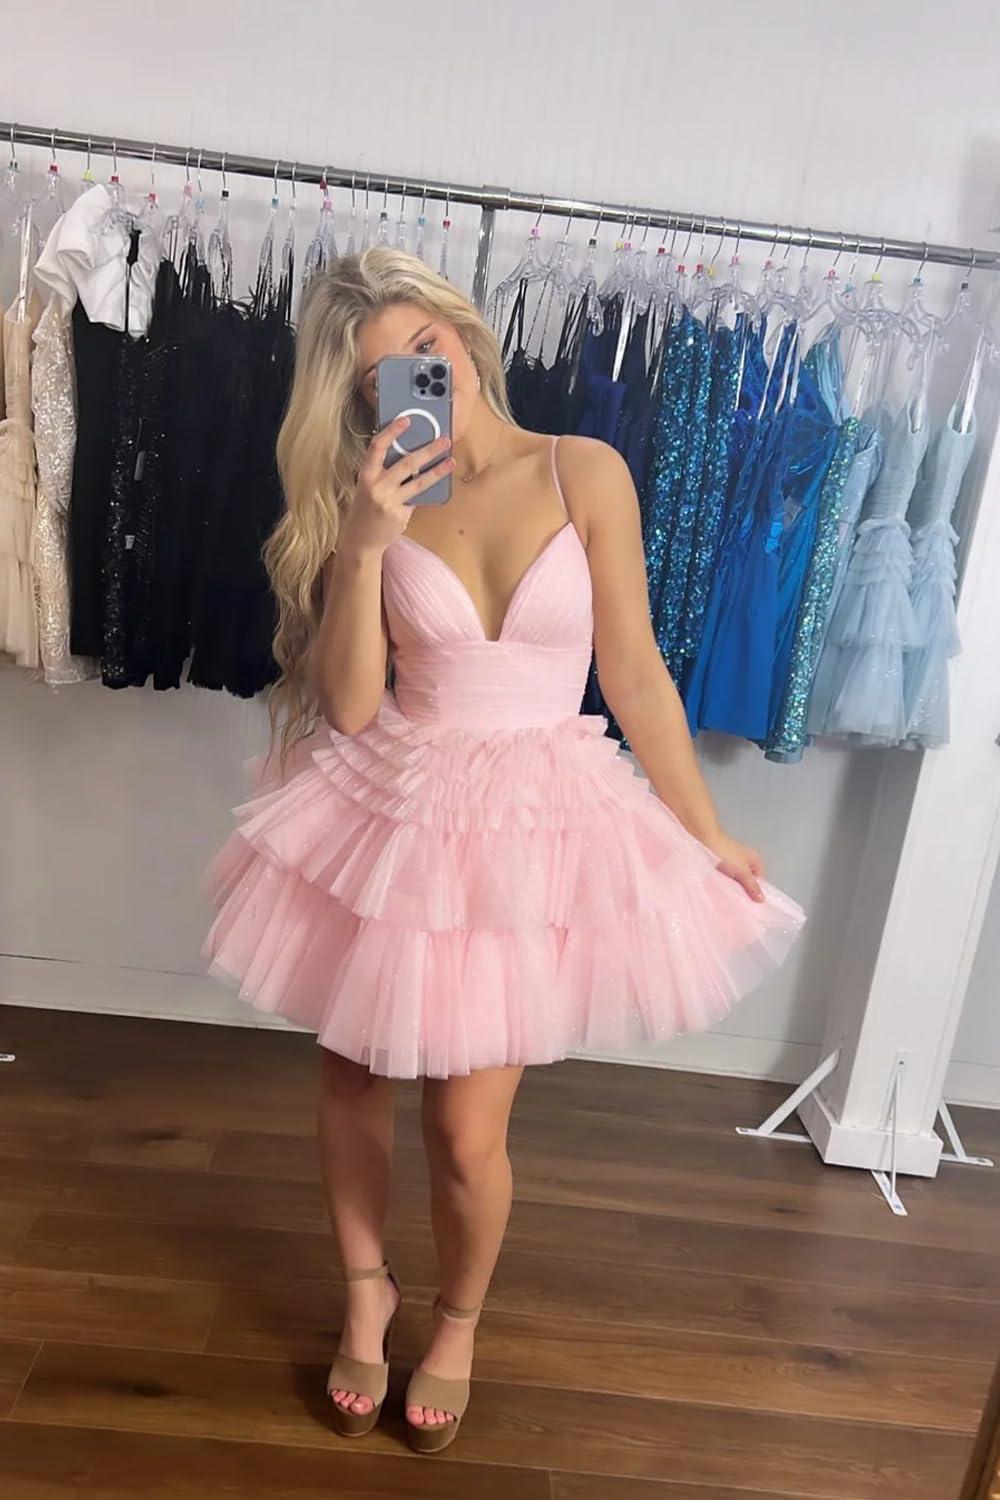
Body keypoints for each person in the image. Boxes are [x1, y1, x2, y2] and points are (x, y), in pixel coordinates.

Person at [200, 247, 805, 1455]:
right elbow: (353, 709)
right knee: (351, 1081)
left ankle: (459, 1319)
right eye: (380, 375)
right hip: (395, 805)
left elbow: (632, 669)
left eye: (428, 351)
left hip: (532, 823)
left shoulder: (583, 469)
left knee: (467, 1134)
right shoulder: (367, 503)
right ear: (360, 398)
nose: (417, 380)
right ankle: (365, 1296)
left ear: (468, 342)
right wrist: (364, 545)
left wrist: (704, 829)